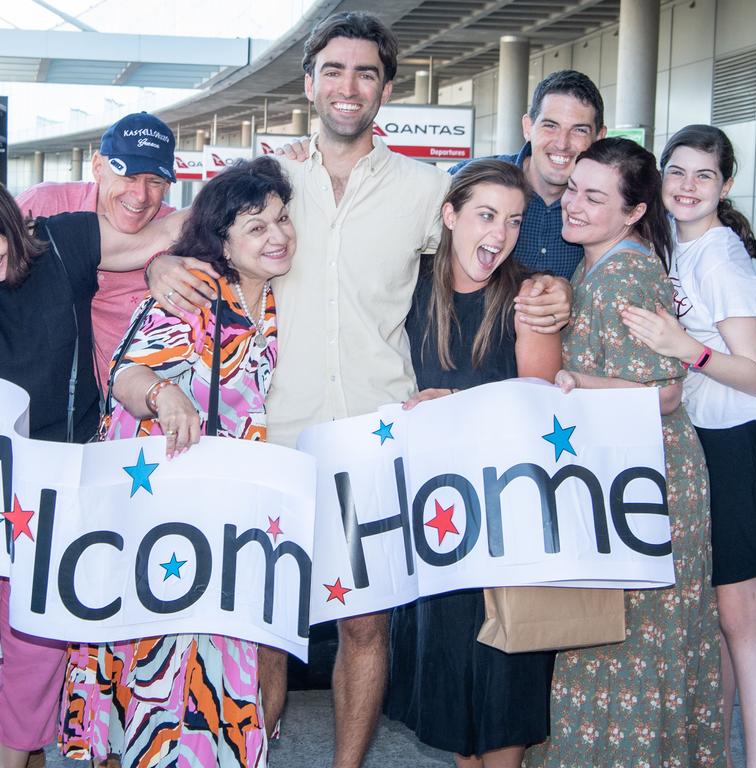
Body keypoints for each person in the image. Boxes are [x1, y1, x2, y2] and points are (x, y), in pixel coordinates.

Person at [146, 14, 572, 765]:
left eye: (366, 73)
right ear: (308, 84)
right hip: (271, 442)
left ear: (385, 89)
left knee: (365, 627)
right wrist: (157, 268)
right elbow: (180, 237)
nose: (349, 86)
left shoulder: (424, 188)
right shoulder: (270, 182)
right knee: (268, 632)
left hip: (377, 441)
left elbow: (492, 243)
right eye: (334, 71)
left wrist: (550, 290)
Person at [0, 164, 182, 768]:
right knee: (17, 634)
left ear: (11, 220)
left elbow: (164, 232)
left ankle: (35, 746)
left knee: (46, 629)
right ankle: (20, 747)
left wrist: (161, 263)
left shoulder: (66, 238)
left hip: (72, 470)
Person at [59, 155, 294, 768]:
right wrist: (165, 395)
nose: (278, 235)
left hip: (237, 518)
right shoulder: (193, 294)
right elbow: (128, 373)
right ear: (221, 240)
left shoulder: (276, 296)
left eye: (281, 220)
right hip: (169, 519)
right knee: (164, 667)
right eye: (257, 227)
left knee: (230, 664)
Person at [522, 137, 725, 767]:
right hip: (626, 479)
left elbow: (665, 392)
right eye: (573, 190)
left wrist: (575, 383)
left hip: (651, 486)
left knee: (630, 651)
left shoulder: (630, 271)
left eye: (594, 196)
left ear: (634, 211)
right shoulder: (599, 262)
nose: (573, 205)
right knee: (610, 645)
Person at [621, 124, 756, 768]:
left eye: (705, 175)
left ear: (725, 187)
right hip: (706, 442)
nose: (688, 186)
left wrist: (684, 348)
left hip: (740, 443)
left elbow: (755, 374)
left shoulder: (720, 255)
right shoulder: (675, 244)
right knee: (723, 619)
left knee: (740, 617)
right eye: (678, 172)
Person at [384, 159, 561, 768]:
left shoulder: (528, 297)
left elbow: (542, 407)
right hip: (436, 519)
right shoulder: (408, 287)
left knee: (505, 678)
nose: (499, 234)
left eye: (513, 221)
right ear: (450, 216)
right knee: (454, 679)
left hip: (509, 517)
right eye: (486, 215)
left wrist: (456, 405)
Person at [16, 112, 177, 394]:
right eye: (128, 175)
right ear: (98, 166)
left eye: (154, 182)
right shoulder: (43, 204)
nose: (140, 195)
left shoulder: (178, 234)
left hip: (133, 411)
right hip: (39, 405)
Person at [450, 70, 608, 280]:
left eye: (579, 130)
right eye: (550, 126)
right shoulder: (469, 179)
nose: (562, 143)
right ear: (528, 127)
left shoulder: (609, 206)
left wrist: (569, 295)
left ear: (599, 137)